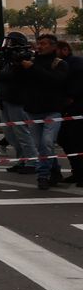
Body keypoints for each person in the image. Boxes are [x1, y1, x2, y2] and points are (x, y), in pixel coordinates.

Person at [24, 33, 71, 189]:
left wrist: (33, 68)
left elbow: (55, 81)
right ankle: (55, 170)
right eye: (38, 43)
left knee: (47, 142)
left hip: (52, 110)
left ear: (53, 46)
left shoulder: (59, 64)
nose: (40, 47)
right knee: (41, 146)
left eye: (43, 43)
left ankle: (42, 175)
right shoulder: (30, 62)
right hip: (33, 110)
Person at [0, 32, 39, 175]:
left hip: (18, 100)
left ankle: (33, 161)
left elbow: (17, 77)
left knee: (22, 132)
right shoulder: (8, 60)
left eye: (10, 42)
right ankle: (22, 159)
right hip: (6, 100)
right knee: (10, 134)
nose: (7, 46)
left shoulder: (25, 57)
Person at [56, 39, 83, 184]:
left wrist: (71, 95)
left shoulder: (75, 63)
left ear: (65, 50)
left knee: (74, 140)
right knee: (67, 139)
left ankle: (79, 172)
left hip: (76, 107)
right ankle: (77, 172)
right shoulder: (70, 63)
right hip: (70, 107)